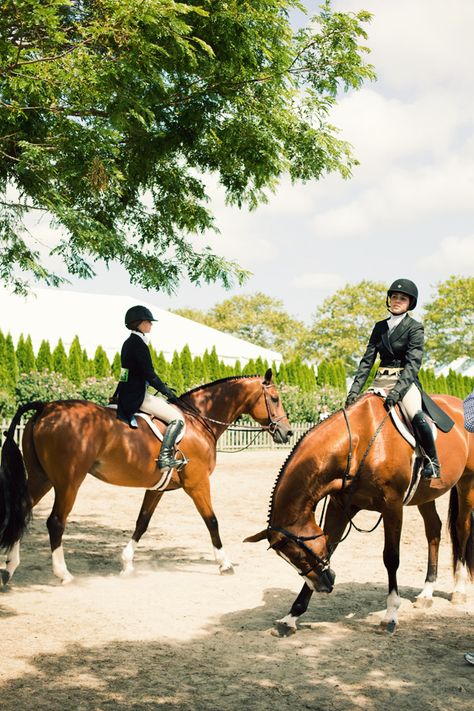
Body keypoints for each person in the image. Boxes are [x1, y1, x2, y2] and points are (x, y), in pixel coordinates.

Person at [345, 278, 440, 479]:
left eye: (402, 299)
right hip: (379, 381)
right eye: (394, 297)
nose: (397, 301)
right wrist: (354, 390)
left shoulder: (415, 328)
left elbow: (413, 363)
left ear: (409, 304)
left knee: (416, 414)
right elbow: (366, 362)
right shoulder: (379, 327)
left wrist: (398, 392)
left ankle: (432, 461)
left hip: (404, 382)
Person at [116, 305, 185, 471]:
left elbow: (124, 373)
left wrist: (117, 393)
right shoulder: (138, 345)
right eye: (148, 322)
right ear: (138, 323)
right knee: (178, 419)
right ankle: (165, 458)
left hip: (128, 394)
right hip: (138, 396)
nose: (151, 325)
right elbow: (149, 374)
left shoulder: (128, 343)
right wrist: (166, 390)